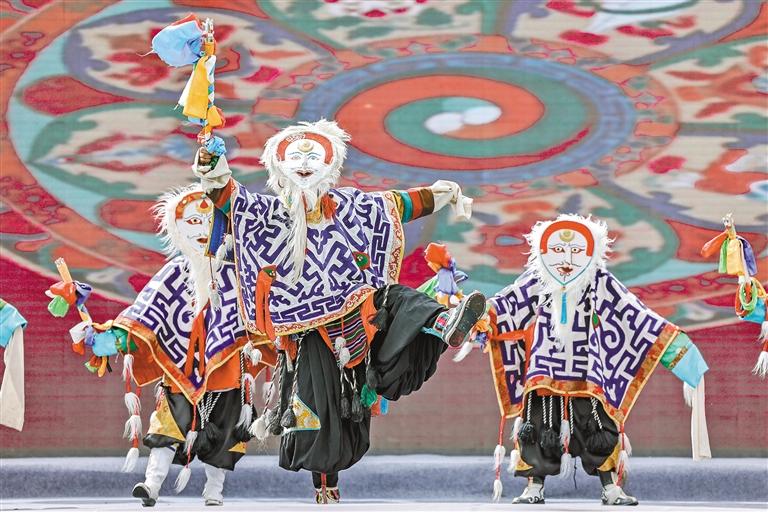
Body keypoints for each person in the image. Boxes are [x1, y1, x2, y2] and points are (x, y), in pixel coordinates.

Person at [193, 119, 486, 503]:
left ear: (329, 164)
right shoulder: (266, 212)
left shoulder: (351, 206)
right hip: (307, 325)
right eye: (296, 157)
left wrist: (438, 194)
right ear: (280, 165)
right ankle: (326, 489)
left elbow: (395, 205)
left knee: (395, 296)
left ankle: (444, 322)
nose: (304, 163)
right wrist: (212, 165)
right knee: (323, 414)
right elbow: (228, 197)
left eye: (313, 157)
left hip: (358, 311)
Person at [467, 214, 710, 506]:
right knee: (537, 428)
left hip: (588, 371)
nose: (566, 259)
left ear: (591, 252)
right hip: (544, 370)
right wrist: (477, 315)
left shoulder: (601, 282)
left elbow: (637, 316)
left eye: (576, 251)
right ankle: (534, 486)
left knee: (599, 429)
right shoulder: (537, 281)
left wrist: (676, 348)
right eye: (558, 250)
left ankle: (610, 488)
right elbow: (505, 306)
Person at [91, 185, 275, 507]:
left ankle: (214, 490)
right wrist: (116, 336)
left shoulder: (238, 273)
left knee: (226, 433)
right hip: (181, 369)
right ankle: (151, 485)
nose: (201, 230)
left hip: (227, 369)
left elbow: (262, 312)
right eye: (191, 222)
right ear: (177, 230)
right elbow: (145, 312)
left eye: (208, 221)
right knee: (167, 426)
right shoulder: (174, 272)